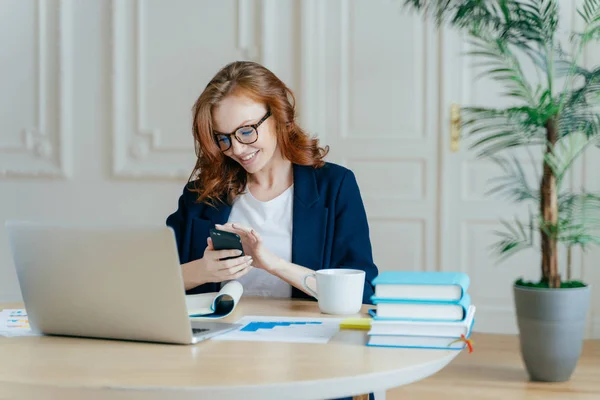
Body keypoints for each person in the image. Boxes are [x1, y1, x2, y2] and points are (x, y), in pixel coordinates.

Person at [166, 60, 378, 304]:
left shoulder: (336, 186)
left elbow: (361, 293)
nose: (236, 149)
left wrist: (273, 264)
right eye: (223, 138)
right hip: (214, 337)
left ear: (278, 116)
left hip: (305, 339)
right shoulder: (202, 193)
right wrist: (203, 271)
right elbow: (151, 282)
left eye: (246, 131)